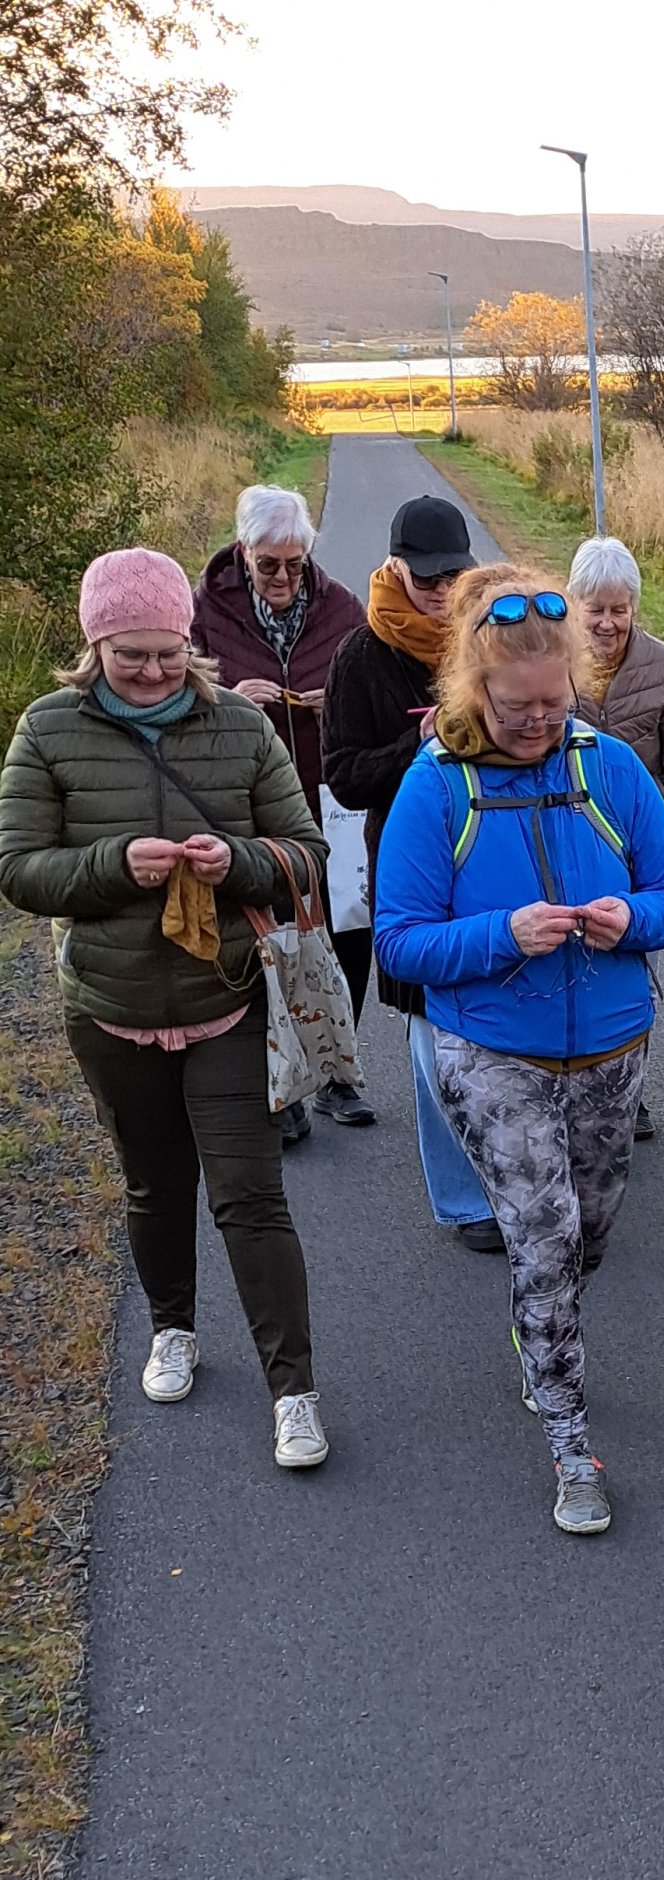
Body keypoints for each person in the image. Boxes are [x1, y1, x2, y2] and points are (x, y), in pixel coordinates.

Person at [372, 567, 664, 1534]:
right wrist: (501, 936)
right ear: (474, 689)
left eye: (556, 705)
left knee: (590, 1232)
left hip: (611, 1045)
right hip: (488, 1049)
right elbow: (399, 940)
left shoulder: (610, 768)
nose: (538, 724)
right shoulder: (435, 786)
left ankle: (536, 1327)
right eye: (517, 709)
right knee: (544, 1236)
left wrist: (627, 919)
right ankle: (570, 1444)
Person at [0, 549, 331, 1469]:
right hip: (110, 1004)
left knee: (253, 1200)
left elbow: (306, 851)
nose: (152, 672)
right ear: (93, 644)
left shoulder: (240, 725)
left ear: (191, 644)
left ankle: (294, 1392)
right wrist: (111, 866)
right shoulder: (46, 729)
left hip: (228, 997)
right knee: (154, 1184)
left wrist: (241, 863)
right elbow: (17, 872)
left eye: (169, 654)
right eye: (130, 654)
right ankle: (173, 1328)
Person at [322, 495, 503, 1254]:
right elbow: (342, 775)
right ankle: (464, 1200)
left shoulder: (492, 635)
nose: (438, 588)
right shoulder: (360, 656)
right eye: (425, 576)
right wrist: (419, 744)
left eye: (453, 574)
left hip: (495, 851)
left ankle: (516, 1171)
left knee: (496, 1015)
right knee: (431, 1032)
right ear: (394, 565)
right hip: (408, 860)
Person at [191, 483, 372, 1143]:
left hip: (331, 796)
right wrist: (228, 697)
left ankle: (336, 1072)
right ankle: (285, 1084)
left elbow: (368, 693)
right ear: (243, 552)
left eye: (295, 563)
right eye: (269, 564)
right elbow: (174, 698)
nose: (284, 577)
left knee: (348, 931)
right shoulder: (205, 611)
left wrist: (339, 704)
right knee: (272, 937)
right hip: (249, 803)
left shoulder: (343, 607)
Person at [568, 534, 664, 1142]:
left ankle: (626, 1088)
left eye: (618, 608)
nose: (607, 622)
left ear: (634, 607)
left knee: (627, 956)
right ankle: (564, 1078)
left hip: (632, 838)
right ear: (572, 603)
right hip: (564, 832)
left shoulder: (661, 664)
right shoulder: (548, 656)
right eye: (595, 608)